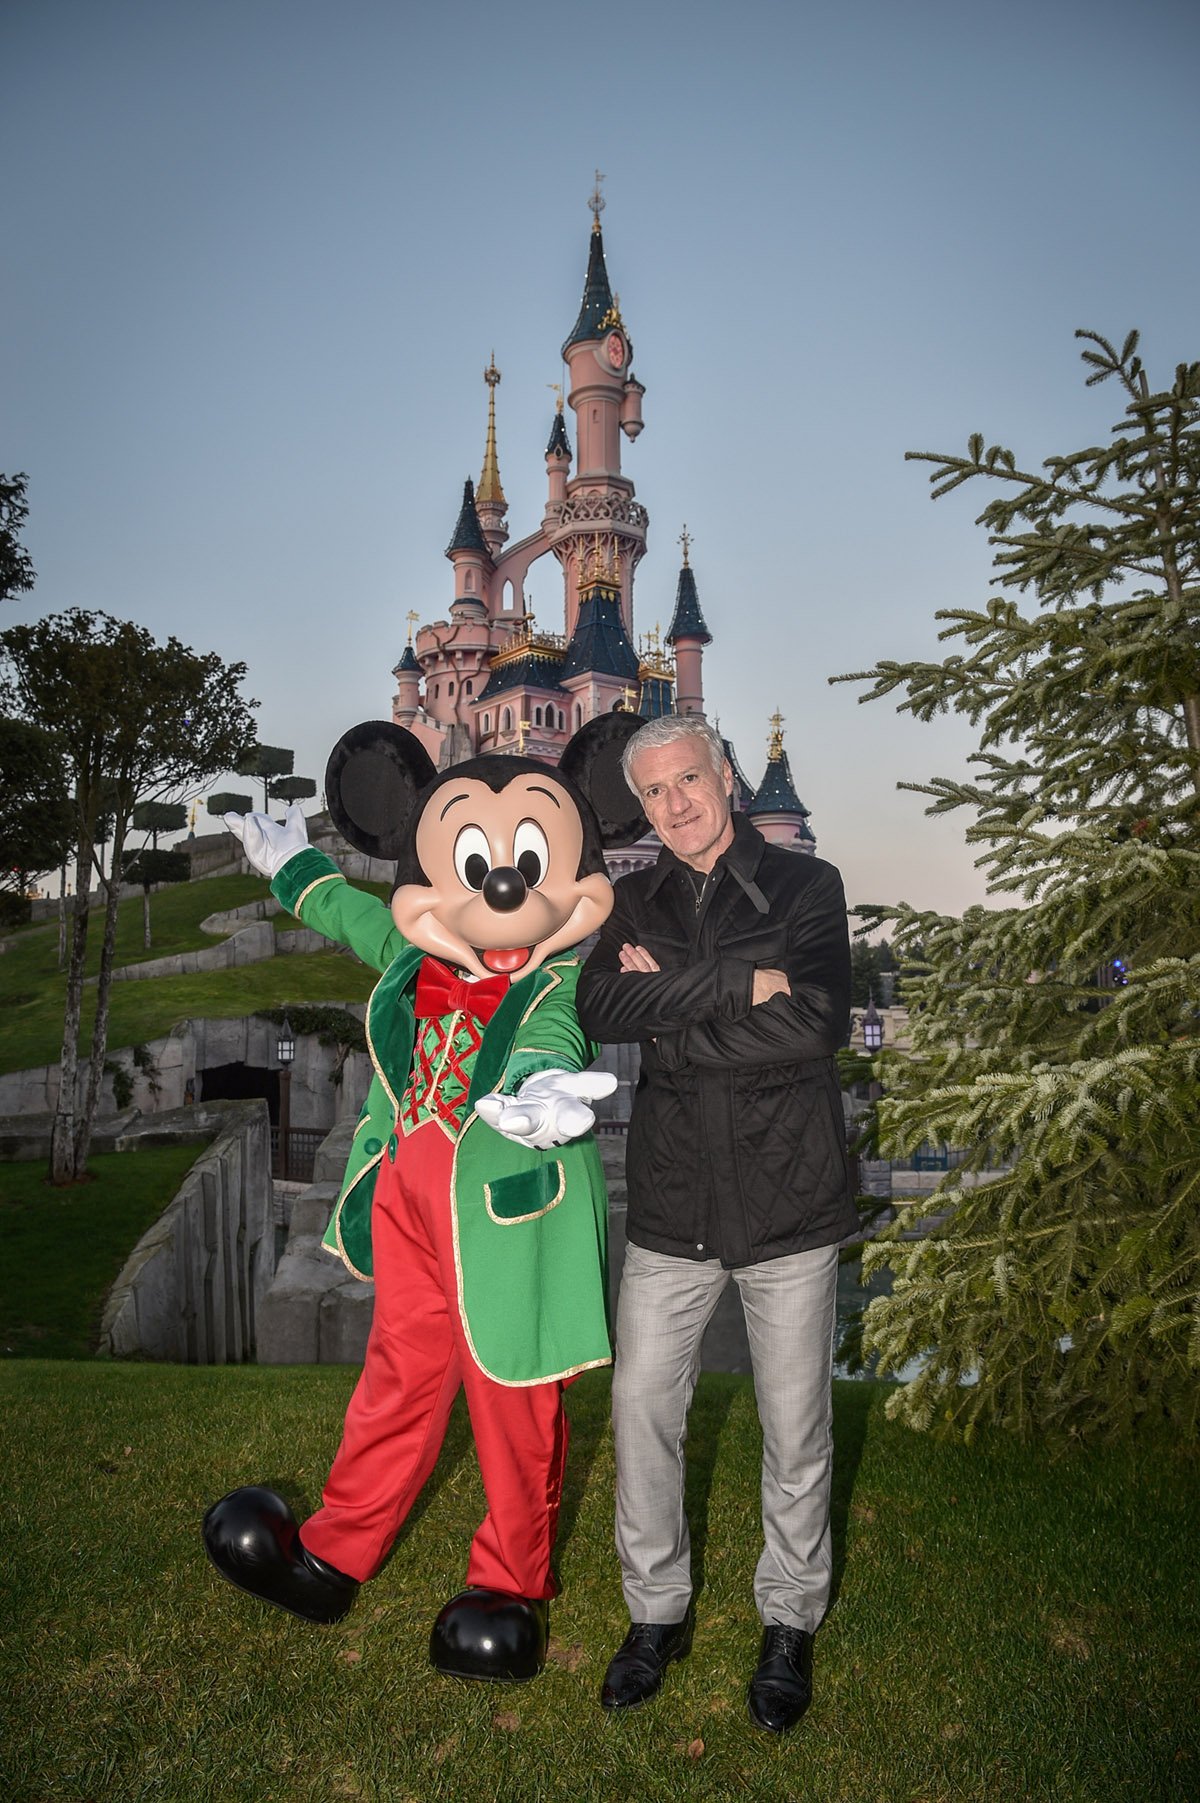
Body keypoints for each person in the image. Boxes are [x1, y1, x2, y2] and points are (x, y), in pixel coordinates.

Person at [576, 713, 856, 1733]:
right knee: (642, 1409)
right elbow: (602, 1007)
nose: (676, 805)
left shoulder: (805, 887)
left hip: (790, 1196)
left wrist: (684, 1010)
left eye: (689, 779)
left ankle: (788, 1624)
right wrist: (745, 986)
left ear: (726, 774)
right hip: (673, 1199)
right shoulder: (629, 898)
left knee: (797, 1431)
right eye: (654, 792)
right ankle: (656, 1616)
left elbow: (820, 1020)